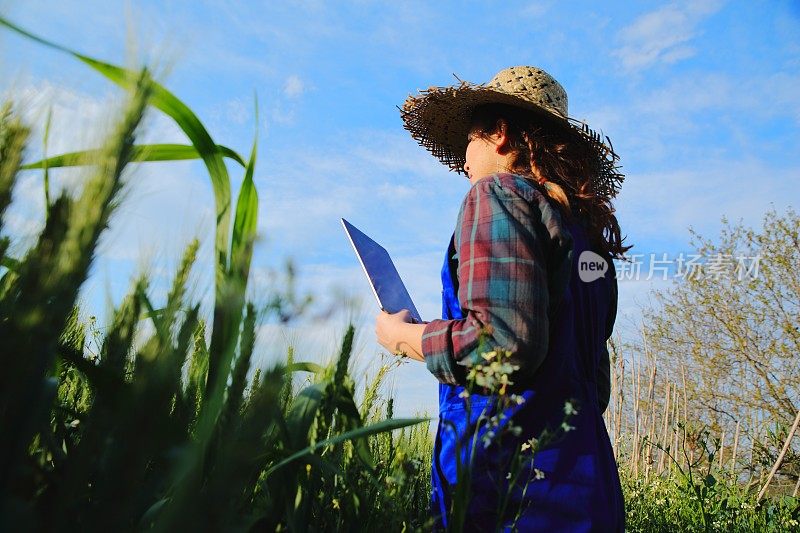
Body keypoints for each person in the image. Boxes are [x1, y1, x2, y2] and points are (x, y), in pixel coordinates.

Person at [375, 66, 630, 531]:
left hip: (513, 491)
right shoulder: (589, 244)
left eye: (470, 141)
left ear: (501, 135)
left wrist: (404, 336)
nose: (465, 163)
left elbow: (502, 345)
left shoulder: (498, 195)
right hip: (589, 489)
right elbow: (597, 382)